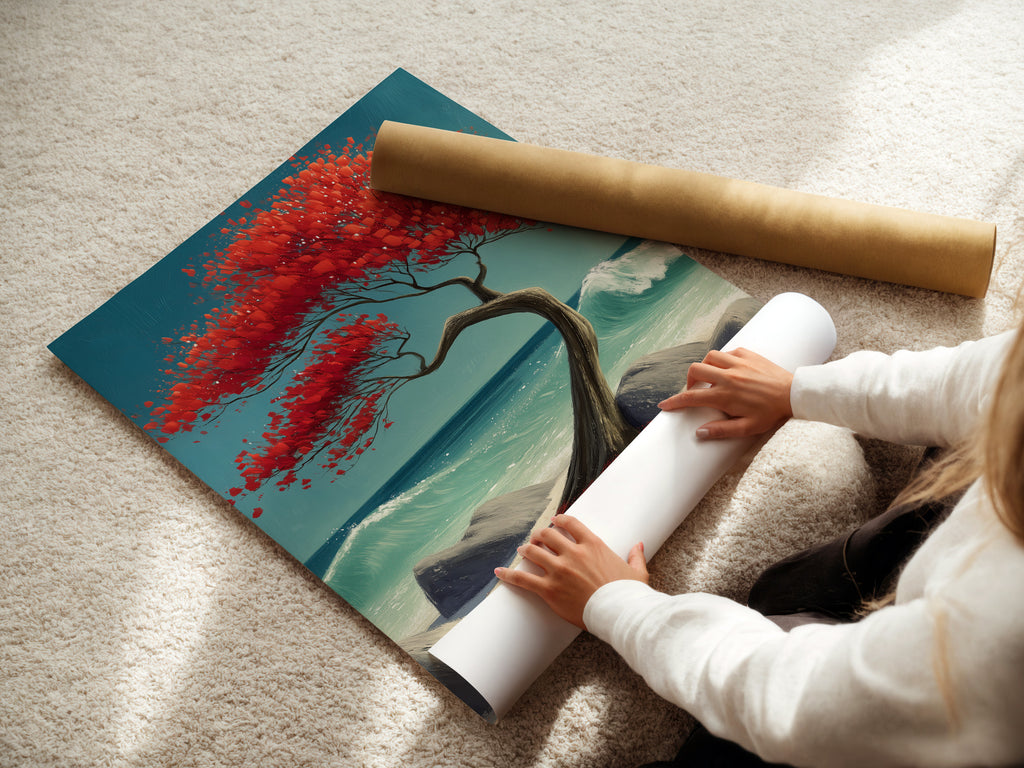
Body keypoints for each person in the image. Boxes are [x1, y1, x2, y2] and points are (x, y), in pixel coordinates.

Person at [494, 325, 1024, 767]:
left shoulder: (998, 636)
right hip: (954, 606)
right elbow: (983, 378)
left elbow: (795, 701)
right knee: (786, 591)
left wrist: (619, 605)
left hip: (950, 718)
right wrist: (797, 390)